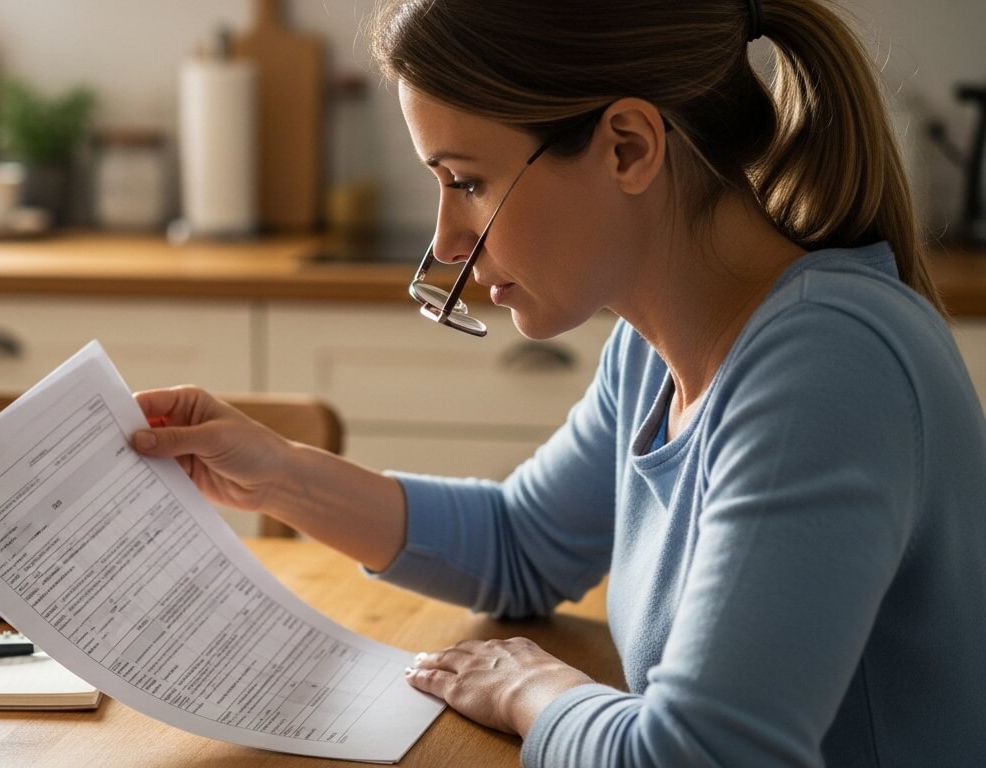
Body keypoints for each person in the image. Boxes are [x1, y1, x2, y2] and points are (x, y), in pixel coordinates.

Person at [131, 0, 986, 764]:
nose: (450, 240)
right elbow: (522, 545)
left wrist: (530, 692)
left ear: (628, 147)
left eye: (467, 182)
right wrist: (276, 471)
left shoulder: (824, 368)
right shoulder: (656, 347)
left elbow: (703, 756)